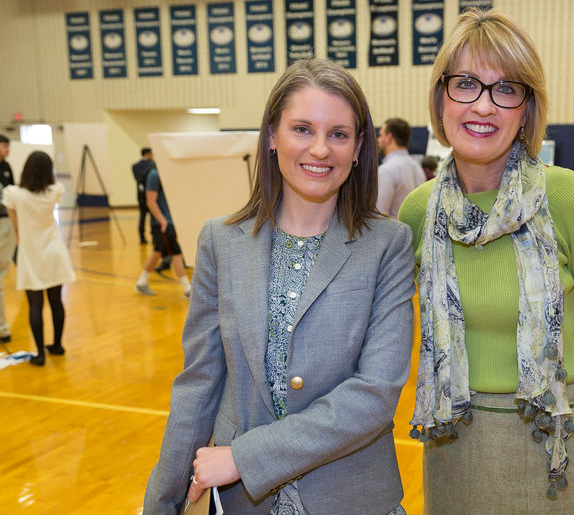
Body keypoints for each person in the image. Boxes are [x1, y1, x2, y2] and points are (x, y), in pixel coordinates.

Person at [143, 58, 415, 514]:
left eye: (339, 134)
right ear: (272, 136)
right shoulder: (220, 242)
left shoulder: (388, 245)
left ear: (358, 146)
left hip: (351, 497)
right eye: (302, 129)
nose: (320, 149)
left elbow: (375, 394)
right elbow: (199, 384)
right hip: (244, 504)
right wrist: (160, 504)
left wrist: (243, 457)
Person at [398, 8, 574, 513]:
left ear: (526, 109)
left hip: (556, 439)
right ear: (441, 100)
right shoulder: (417, 212)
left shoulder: (570, 199)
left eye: (506, 88)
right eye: (465, 84)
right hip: (455, 441)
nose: (483, 105)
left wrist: (558, 396)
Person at [1, 151, 75, 366]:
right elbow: (52, 186)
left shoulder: (14, 194)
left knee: (35, 303)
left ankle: (40, 354)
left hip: (31, 253)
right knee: (56, 301)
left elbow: (15, 227)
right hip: (54, 251)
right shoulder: (54, 191)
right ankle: (58, 346)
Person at [134, 164, 190, 298]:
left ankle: (141, 282)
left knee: (157, 252)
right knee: (176, 253)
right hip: (162, 223)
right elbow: (150, 201)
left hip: (167, 221)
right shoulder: (154, 174)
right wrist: (163, 221)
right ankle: (188, 289)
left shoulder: (165, 173)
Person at [376, 117, 426, 217]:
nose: (378, 140)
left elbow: (380, 215)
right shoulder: (417, 168)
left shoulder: (386, 170)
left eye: (381, 135)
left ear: (389, 138)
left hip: (393, 231)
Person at [0, 134, 16, 344]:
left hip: (5, 223)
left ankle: (3, 327)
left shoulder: (7, 167)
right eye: (4, 146)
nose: (7, 149)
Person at [132, 147, 156, 245]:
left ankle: (142, 237)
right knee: (153, 216)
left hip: (140, 195)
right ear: (148, 154)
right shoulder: (152, 164)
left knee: (142, 216)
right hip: (151, 193)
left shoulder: (134, 166)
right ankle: (154, 237)